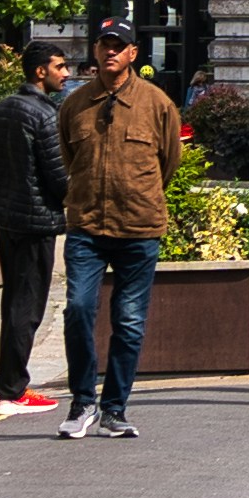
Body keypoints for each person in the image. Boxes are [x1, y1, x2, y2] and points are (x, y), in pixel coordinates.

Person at [60, 24, 190, 439]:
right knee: (78, 310)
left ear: (133, 53)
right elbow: (67, 158)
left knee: (129, 321)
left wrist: (139, 194)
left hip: (138, 227)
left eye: (119, 47)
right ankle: (83, 402)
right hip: (86, 226)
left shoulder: (157, 104)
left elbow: (169, 160)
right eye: (105, 46)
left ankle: (115, 408)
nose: (110, 53)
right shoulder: (75, 104)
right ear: (96, 51)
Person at [0, 48, 76, 412]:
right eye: (59, 67)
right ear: (39, 71)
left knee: (14, 301)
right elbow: (59, 177)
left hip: (6, 219)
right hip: (36, 221)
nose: (66, 73)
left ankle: (6, 385)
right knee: (28, 306)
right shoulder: (46, 115)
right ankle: (11, 390)